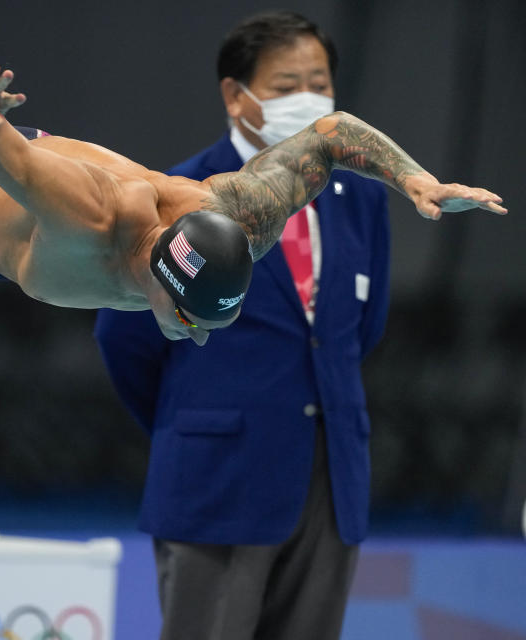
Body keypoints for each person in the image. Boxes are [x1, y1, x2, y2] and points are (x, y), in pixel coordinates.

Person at [0, 62, 504, 596]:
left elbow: (331, 134)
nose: (198, 339)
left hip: (28, 224)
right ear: (152, 277)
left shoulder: (236, 212)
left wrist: (416, 180)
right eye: (188, 320)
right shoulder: (86, 213)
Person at [94, 12, 387, 640]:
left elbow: (362, 328)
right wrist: (192, 425)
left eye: (319, 83)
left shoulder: (361, 195)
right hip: (216, 484)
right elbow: (123, 338)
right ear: (236, 96)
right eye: (286, 86)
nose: (307, 100)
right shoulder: (180, 194)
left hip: (329, 483)